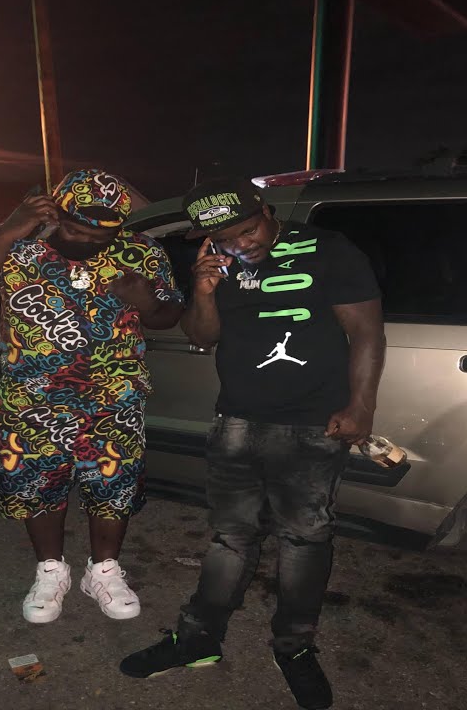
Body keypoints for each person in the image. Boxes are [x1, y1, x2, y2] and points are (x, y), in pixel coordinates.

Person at [119, 178, 386, 710]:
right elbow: (202, 336)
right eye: (227, 237)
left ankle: (293, 647)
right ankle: (198, 639)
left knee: (304, 539)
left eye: (249, 230)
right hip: (237, 420)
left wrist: (361, 406)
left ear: (266, 211)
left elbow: (366, 332)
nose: (243, 244)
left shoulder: (329, 249)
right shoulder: (217, 265)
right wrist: (202, 292)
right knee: (230, 538)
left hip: (312, 423)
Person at [0, 169, 183, 624]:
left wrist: (147, 302)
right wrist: (9, 230)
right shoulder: (13, 243)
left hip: (115, 398)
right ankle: (51, 570)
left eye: (99, 236)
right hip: (32, 399)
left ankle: (103, 570)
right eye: (75, 230)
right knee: (36, 488)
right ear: (54, 213)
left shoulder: (142, 251)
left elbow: (169, 314)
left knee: (114, 487)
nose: (86, 242)